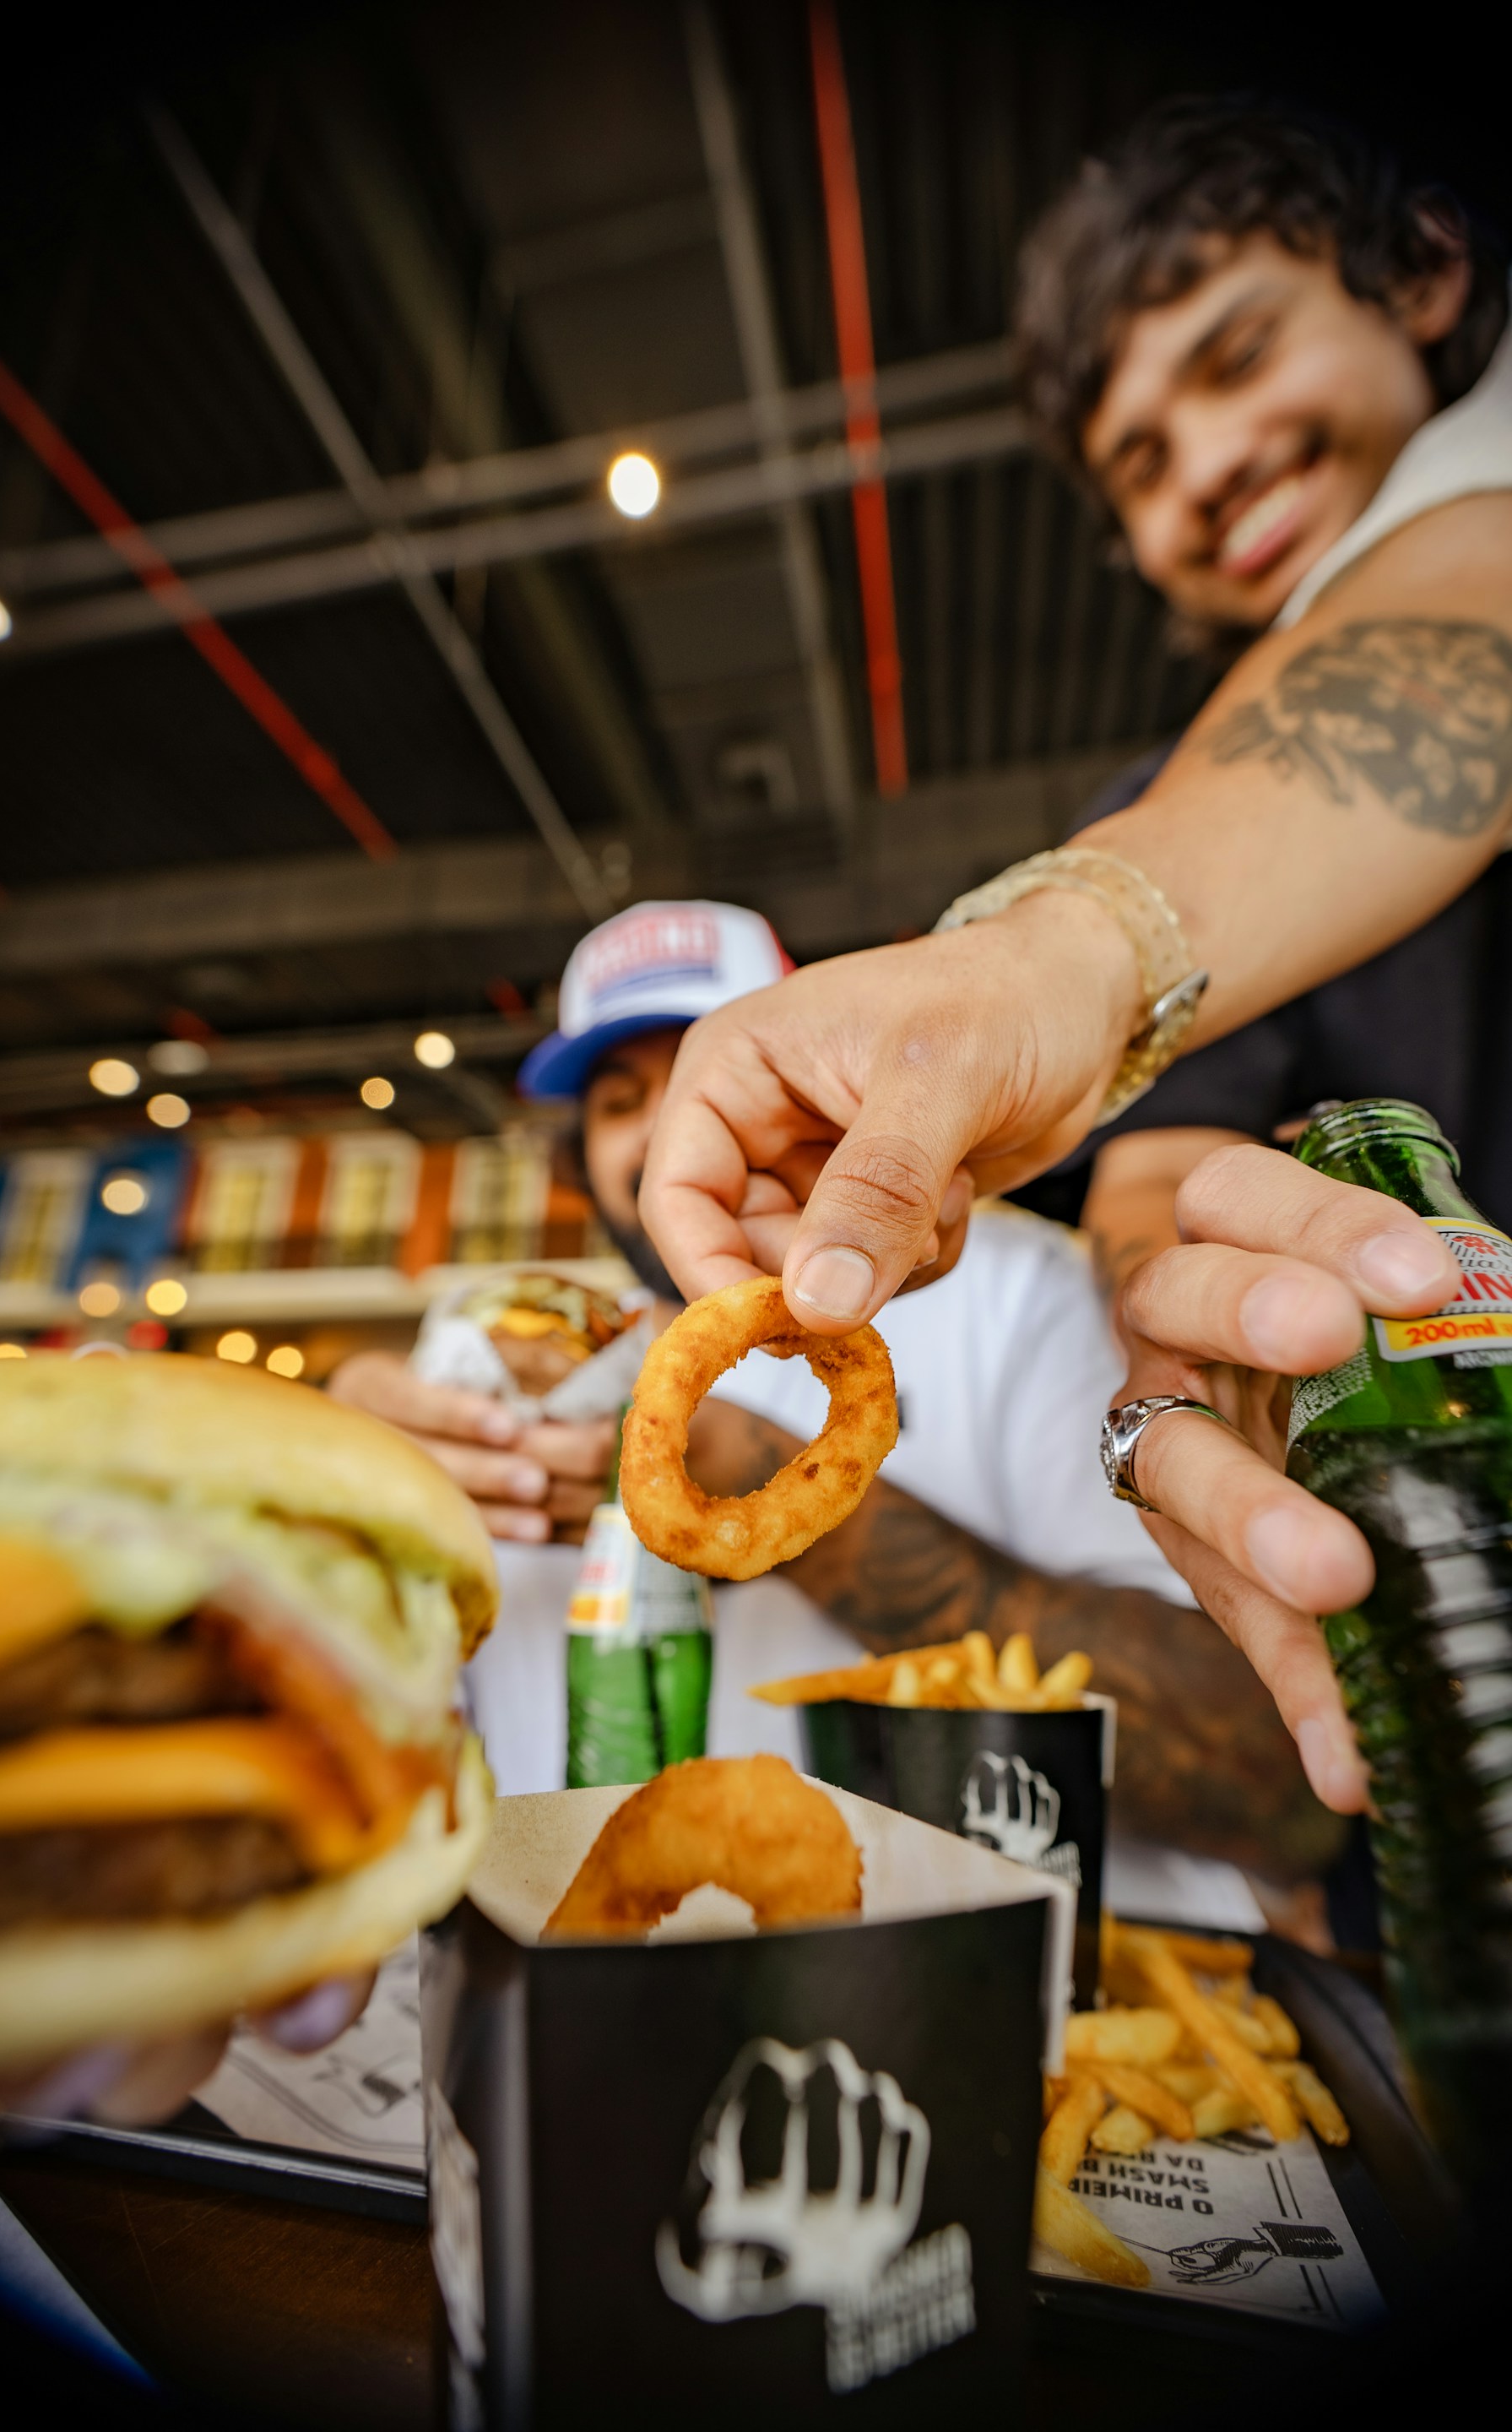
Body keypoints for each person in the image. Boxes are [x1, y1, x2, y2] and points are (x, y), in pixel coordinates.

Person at [637, 98, 1512, 1818]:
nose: (1201, 467)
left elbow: (1453, 629)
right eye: (1137, 460)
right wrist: (1187, 1387)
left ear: (1423, 274)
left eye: (1238, 353)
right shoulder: (1151, 800)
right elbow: (1165, 1189)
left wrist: (1058, 949)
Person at [333, 898, 1336, 1900]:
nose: (663, 1128)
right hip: (600, 1971)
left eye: (703, 1070)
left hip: (1003, 1993)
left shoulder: (1022, 1292)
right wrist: (337, 1494)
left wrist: (780, 1500)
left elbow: (1278, 1788)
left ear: (818, 1076)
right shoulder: (487, 1356)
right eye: (618, 1098)